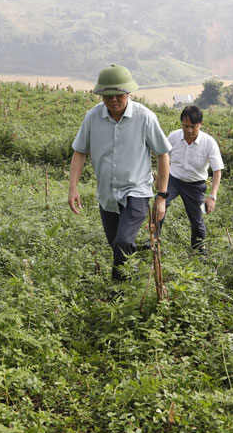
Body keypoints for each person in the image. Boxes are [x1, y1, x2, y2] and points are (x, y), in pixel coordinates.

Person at [68, 64, 171, 282]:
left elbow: (163, 154)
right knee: (117, 245)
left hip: (137, 190)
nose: (113, 100)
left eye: (118, 95)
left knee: (122, 242)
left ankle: (118, 291)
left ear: (128, 93)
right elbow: (79, 152)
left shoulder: (145, 117)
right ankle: (131, 280)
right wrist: (73, 188)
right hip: (107, 194)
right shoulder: (92, 117)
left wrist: (162, 196)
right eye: (107, 95)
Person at [159, 105, 224, 255]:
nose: (189, 130)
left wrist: (212, 196)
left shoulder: (209, 142)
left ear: (201, 124)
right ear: (181, 123)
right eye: (185, 126)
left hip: (195, 185)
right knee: (160, 204)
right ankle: (154, 239)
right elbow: (164, 158)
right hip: (173, 180)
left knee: (197, 219)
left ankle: (199, 248)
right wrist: (160, 180)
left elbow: (217, 170)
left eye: (193, 127)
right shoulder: (173, 136)